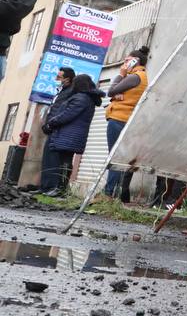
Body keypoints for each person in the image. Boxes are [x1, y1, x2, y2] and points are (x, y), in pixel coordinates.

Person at [40, 74, 104, 193]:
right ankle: (56, 188)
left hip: (69, 134)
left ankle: (60, 189)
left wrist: (51, 122)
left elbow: (67, 115)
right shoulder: (86, 98)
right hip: (70, 134)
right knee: (64, 161)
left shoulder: (81, 98)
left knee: (64, 161)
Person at [104, 46, 150, 202]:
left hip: (119, 119)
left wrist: (120, 75)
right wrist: (118, 93)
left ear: (135, 61)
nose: (123, 64)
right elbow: (116, 94)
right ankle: (115, 194)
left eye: (127, 60)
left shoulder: (135, 76)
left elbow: (110, 92)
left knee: (114, 158)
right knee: (120, 158)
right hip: (124, 119)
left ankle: (108, 194)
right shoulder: (137, 77)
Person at [37, 67, 77, 192]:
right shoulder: (61, 91)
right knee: (48, 159)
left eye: (59, 77)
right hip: (53, 128)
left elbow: (63, 112)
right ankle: (44, 186)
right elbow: (54, 109)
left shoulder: (70, 92)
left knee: (55, 160)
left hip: (59, 130)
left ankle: (51, 187)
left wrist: (51, 124)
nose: (56, 79)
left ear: (67, 79)